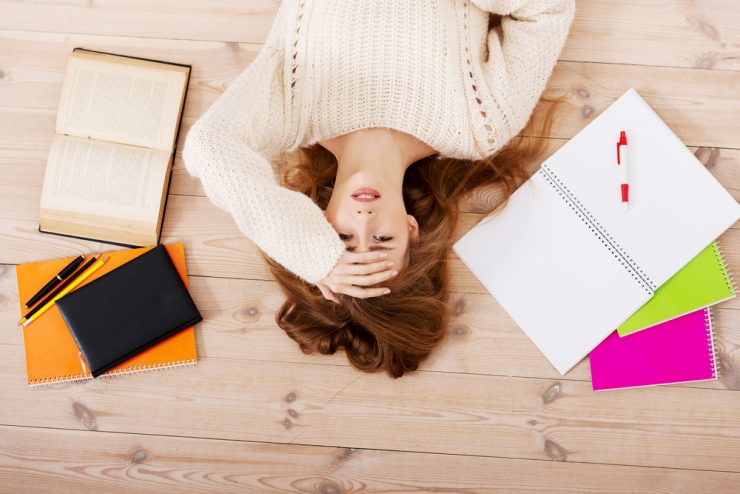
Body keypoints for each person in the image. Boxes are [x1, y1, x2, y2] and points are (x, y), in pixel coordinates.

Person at [182, 0, 576, 378]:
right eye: (383, 239)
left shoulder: (291, 111)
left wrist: (313, 254)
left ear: (315, 223)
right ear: (411, 230)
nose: (364, 219)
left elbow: (209, 148)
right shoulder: (480, 126)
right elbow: (546, 8)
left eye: (343, 238)